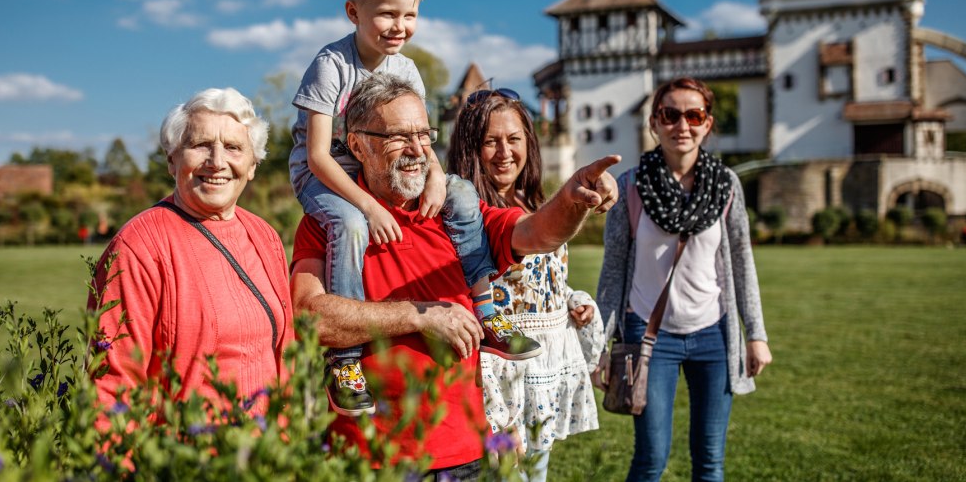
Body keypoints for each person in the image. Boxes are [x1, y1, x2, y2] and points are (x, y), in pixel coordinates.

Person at [291, 72, 620, 480]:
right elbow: (309, 318)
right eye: (398, 137)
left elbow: (537, 233)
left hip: (464, 454)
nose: (417, 150)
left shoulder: (456, 213)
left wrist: (572, 200)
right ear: (358, 144)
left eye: (423, 134)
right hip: (368, 458)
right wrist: (419, 315)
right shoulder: (330, 222)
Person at [289, 0, 537, 416]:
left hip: (373, 167)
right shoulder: (332, 65)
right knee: (350, 224)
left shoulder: (405, 68)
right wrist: (369, 206)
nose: (399, 26)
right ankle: (345, 359)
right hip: (324, 175)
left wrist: (437, 177)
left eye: (410, 15)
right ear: (353, 12)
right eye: (387, 14)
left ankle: (486, 309)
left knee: (461, 192)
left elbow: (419, 138)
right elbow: (318, 156)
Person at [595, 77, 773, 482]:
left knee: (710, 461)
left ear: (707, 124)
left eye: (694, 115)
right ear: (654, 123)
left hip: (713, 332)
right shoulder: (630, 186)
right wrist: (599, 345)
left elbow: (742, 261)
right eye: (670, 114)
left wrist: (756, 334)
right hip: (647, 334)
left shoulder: (726, 185)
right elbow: (613, 269)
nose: (682, 125)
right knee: (651, 459)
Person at [89, 87, 293, 422]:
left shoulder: (265, 237)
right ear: (172, 159)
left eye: (233, 147)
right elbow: (110, 386)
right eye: (200, 145)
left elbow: (285, 358)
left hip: (268, 448)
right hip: (185, 447)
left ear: (253, 165)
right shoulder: (138, 246)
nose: (217, 162)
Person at [447, 88, 603, 482]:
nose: (505, 152)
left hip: (541, 378)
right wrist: (499, 418)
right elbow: (466, 303)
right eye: (491, 141)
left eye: (514, 139)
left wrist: (571, 300)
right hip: (500, 385)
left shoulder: (531, 201)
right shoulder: (464, 214)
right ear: (470, 148)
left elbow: (538, 281)